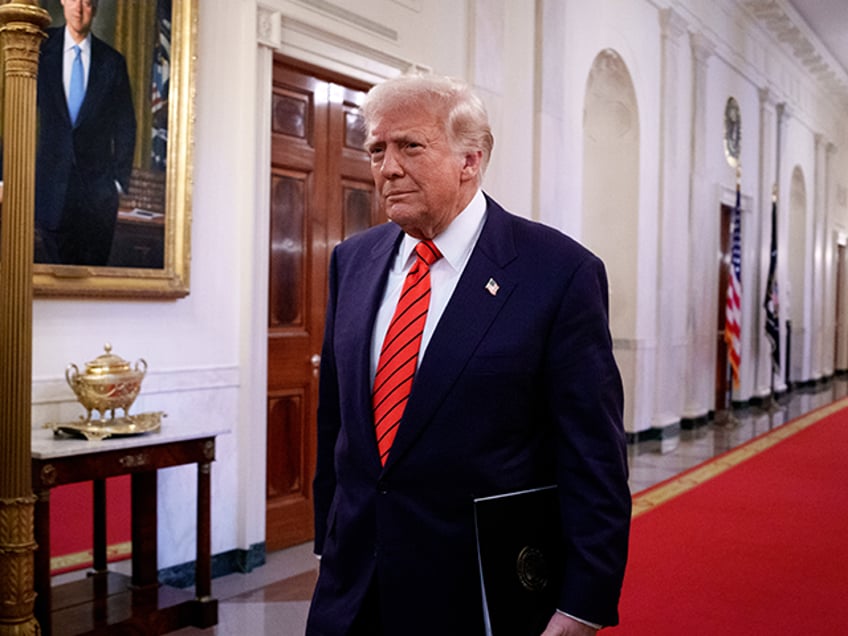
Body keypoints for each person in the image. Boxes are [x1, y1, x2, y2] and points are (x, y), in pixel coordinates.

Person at [307, 73, 631, 635]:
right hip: (353, 588)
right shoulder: (351, 262)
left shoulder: (558, 273)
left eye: (410, 146)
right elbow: (336, 422)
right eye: (377, 149)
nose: (387, 167)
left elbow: (593, 456)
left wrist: (582, 604)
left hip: (479, 592)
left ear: (470, 160)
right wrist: (327, 545)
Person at [35, 0, 136, 266]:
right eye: (73, 0)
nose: (79, 9)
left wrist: (116, 183)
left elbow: (126, 126)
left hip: (97, 203)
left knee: (92, 289)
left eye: (87, 3)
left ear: (96, 7)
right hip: (49, 198)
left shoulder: (112, 63)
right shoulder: (39, 50)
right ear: (63, 2)